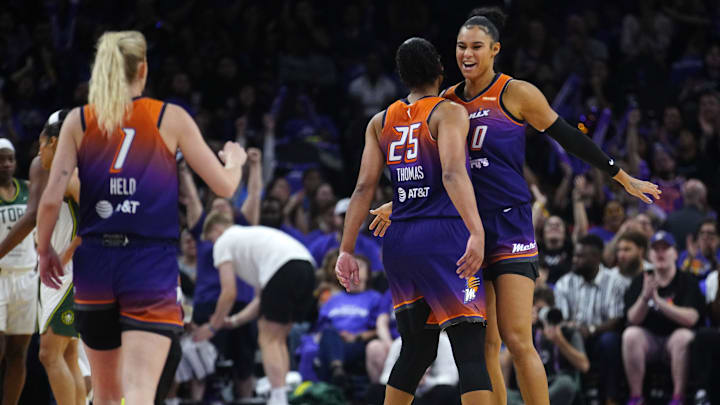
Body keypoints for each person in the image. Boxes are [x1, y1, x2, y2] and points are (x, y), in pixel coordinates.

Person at [369, 7, 661, 405]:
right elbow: (435, 171)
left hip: (509, 225)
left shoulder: (516, 93)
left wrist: (620, 175)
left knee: (518, 338)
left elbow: (569, 137)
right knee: (485, 344)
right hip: (462, 231)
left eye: (476, 47)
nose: (466, 54)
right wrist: (395, 202)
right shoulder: (446, 101)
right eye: (460, 47)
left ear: (495, 50)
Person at [36, 31, 246, 405]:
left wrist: (44, 252)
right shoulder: (170, 116)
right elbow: (225, 187)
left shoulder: (78, 120)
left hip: (96, 265)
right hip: (148, 264)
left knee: (103, 396)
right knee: (138, 394)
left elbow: (51, 199)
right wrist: (235, 162)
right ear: (143, 70)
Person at [336, 37, 491, 405]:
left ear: (403, 78)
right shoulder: (448, 113)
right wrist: (476, 230)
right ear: (440, 71)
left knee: (417, 350)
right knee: (470, 349)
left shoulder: (380, 121)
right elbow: (453, 175)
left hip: (400, 240)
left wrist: (346, 249)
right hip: (445, 236)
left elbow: (362, 189)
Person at [0, 110, 85, 405]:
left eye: (46, 142)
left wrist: (71, 250)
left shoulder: (74, 173)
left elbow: (102, 217)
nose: (40, 148)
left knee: (48, 353)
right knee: (69, 355)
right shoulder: (48, 165)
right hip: (54, 271)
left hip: (71, 271)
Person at [193, 213, 316, 405]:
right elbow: (261, 300)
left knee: (267, 338)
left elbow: (228, 293)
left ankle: (278, 398)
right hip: (307, 268)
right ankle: (281, 392)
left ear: (217, 229)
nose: (212, 244)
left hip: (284, 269)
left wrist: (212, 328)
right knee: (278, 338)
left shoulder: (224, 241)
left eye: (210, 239)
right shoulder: (254, 240)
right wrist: (233, 321)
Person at [623, 231, 705, 405]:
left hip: (675, 341)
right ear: (649, 255)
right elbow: (632, 319)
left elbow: (691, 318)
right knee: (630, 335)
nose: (660, 253)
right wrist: (645, 297)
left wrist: (659, 302)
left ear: (675, 253)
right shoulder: (641, 281)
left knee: (683, 337)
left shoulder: (687, 280)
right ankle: (636, 396)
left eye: (665, 249)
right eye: (655, 249)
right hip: (649, 341)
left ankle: (678, 397)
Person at [553, 235, 626, 404]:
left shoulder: (615, 282)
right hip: (573, 337)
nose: (575, 260)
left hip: (600, 336)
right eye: (575, 255)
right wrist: (573, 328)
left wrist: (591, 330)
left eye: (580, 256)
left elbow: (616, 319)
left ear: (596, 257)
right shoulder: (565, 282)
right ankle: (568, 395)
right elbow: (560, 318)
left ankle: (610, 398)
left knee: (610, 341)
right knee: (560, 335)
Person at [0, 138, 38, 405]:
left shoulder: (28, 189)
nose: (6, 164)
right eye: (1, 159)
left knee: (18, 354)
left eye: (10, 159)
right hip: (0, 276)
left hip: (26, 276)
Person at [505, 287, 589, 405]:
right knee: (504, 393)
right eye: (534, 309)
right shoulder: (527, 332)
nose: (538, 314)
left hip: (557, 385)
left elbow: (584, 365)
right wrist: (523, 327)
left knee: (566, 384)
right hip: (530, 389)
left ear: (551, 309)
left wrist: (560, 341)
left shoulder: (567, 332)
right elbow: (504, 362)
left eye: (541, 310)